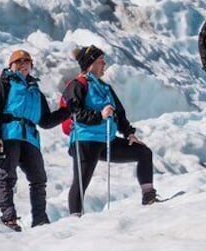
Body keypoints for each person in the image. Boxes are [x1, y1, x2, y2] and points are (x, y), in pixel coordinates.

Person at [63, 45, 158, 214]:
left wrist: (129, 133)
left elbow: (119, 113)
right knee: (81, 181)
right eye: (101, 61)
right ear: (90, 64)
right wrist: (99, 115)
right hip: (86, 140)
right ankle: (74, 220)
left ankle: (149, 196)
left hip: (107, 140)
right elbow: (75, 112)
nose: (104, 64)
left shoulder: (104, 87)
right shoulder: (77, 85)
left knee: (144, 152)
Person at [0, 50, 69, 231]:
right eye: (18, 61)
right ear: (10, 65)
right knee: (7, 176)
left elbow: (45, 121)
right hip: (9, 135)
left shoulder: (35, 92)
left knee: (39, 179)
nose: (23, 64)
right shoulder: (2, 85)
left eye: (27, 62)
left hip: (30, 138)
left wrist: (68, 111)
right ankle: (9, 219)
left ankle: (40, 220)